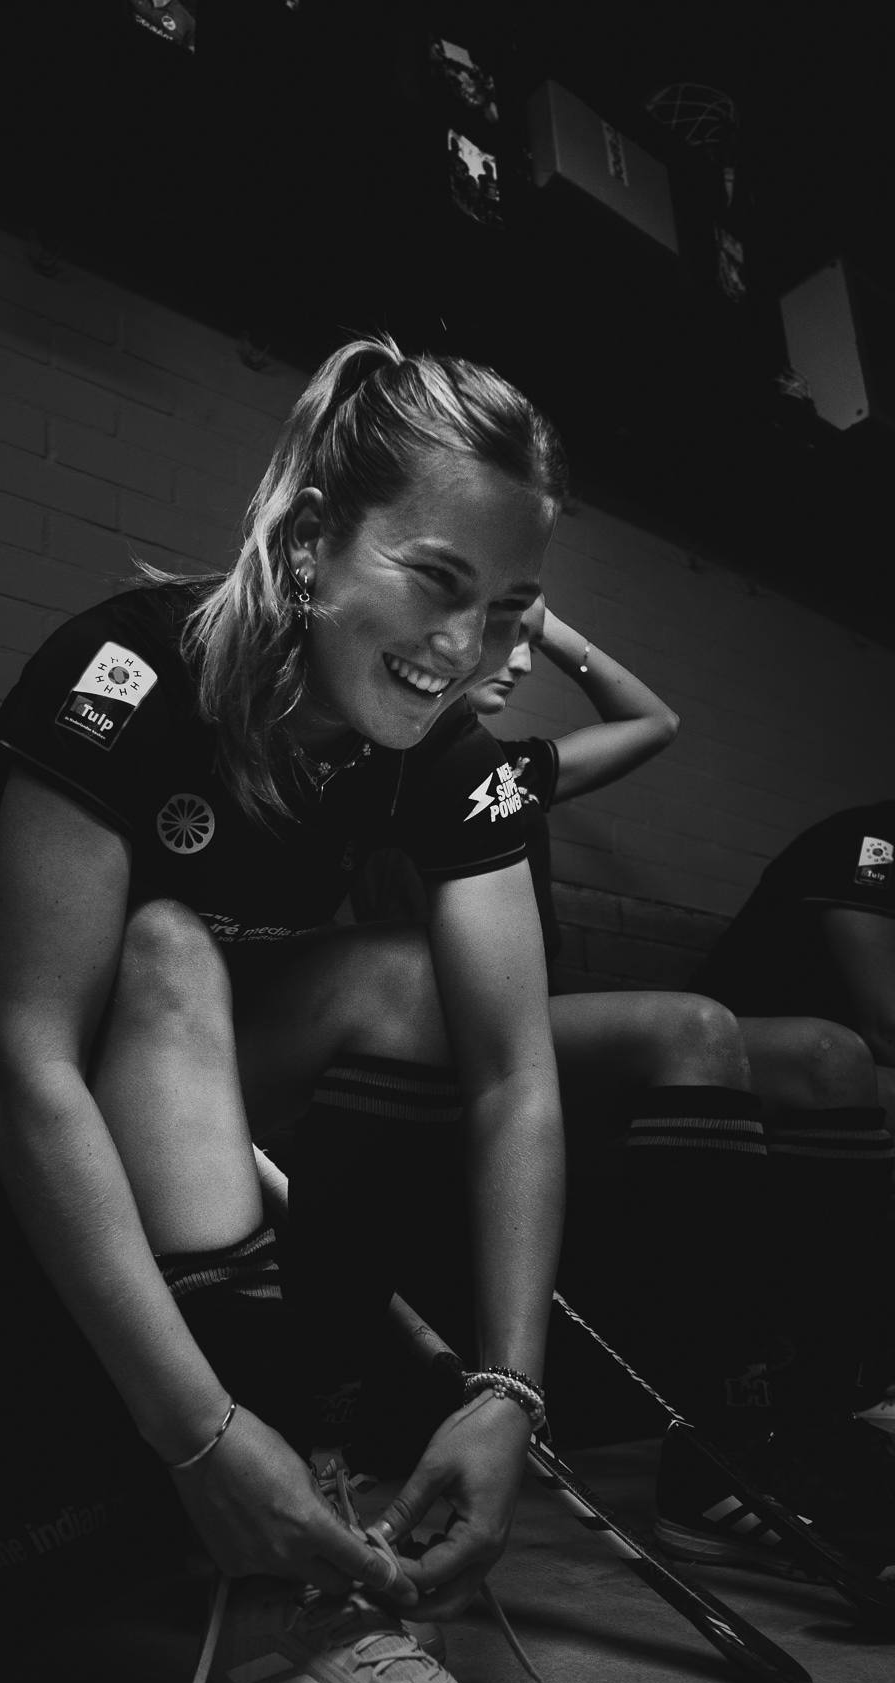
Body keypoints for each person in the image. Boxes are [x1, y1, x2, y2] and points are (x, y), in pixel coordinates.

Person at [0, 338, 569, 1683]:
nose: (461, 645)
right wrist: (203, 1438)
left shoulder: (448, 754)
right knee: (163, 946)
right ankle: (276, 1589)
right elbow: (27, 1062)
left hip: (170, 1040)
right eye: (434, 580)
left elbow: (515, 1079)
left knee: (413, 987)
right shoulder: (135, 664)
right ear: (310, 544)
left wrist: (507, 1389)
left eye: (502, 610)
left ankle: (338, 1400)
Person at [345, 602, 894, 1578]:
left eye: (525, 634)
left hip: (530, 1030)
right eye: (499, 628)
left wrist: (551, 627)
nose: (518, 659)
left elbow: (653, 724)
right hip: (427, 1032)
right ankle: (718, 1450)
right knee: (692, 1027)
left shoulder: (505, 771)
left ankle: (817, 1412)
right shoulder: (374, 743)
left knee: (829, 1057)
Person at [690, 801, 895, 1139]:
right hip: (720, 1044)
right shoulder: (875, 839)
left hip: (824, 1052)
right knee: (853, 1070)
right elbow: (886, 1028)